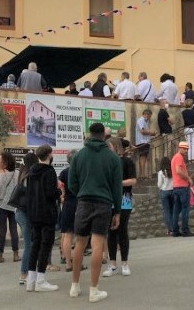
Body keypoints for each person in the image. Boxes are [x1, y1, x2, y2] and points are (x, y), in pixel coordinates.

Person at [68, 122, 122, 303]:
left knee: (79, 244)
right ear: (104, 136)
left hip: (83, 202)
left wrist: (81, 194)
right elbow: (117, 188)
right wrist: (117, 211)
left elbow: (71, 184)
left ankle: (74, 287)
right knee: (98, 244)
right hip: (104, 203)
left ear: (89, 134)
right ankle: (93, 290)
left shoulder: (78, 156)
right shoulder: (113, 158)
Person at [23, 145, 60, 292]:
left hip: (34, 213)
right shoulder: (50, 172)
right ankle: (41, 280)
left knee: (35, 245)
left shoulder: (31, 171)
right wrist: (58, 192)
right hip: (47, 213)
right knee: (45, 245)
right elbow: (51, 193)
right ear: (50, 155)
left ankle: (30, 280)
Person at [102, 148, 137, 277]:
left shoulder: (127, 162)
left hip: (125, 197)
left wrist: (118, 183)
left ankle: (124, 263)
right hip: (109, 198)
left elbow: (133, 180)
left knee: (122, 229)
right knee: (111, 231)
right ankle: (112, 264)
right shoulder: (105, 162)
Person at [16, 152, 37, 285]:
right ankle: (24, 273)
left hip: (20, 212)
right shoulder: (29, 177)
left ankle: (28, 272)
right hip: (25, 213)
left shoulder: (22, 175)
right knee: (29, 244)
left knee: (30, 243)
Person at [57, 151, 78, 270]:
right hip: (78, 203)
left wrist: (63, 196)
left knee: (67, 235)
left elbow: (61, 187)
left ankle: (68, 263)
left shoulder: (64, 172)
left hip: (67, 204)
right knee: (79, 236)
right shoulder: (80, 171)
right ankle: (76, 263)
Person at [170, 141, 194, 237]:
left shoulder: (174, 157)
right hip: (182, 186)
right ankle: (185, 230)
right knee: (185, 209)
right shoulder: (179, 157)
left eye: (187, 149)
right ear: (180, 148)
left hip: (176, 186)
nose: (186, 151)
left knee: (176, 210)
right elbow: (178, 171)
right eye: (184, 149)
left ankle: (175, 231)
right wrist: (188, 178)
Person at [135, 109, 156, 179]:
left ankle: (142, 174)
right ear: (146, 114)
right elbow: (142, 131)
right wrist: (151, 132)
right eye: (149, 115)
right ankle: (142, 174)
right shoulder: (141, 120)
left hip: (144, 141)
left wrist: (151, 134)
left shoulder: (145, 121)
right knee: (143, 157)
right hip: (142, 141)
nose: (149, 117)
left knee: (143, 157)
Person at [157, 157, 175, 236]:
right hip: (173, 191)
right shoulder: (173, 170)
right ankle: (174, 228)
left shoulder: (161, 172)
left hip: (164, 191)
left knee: (166, 211)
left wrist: (160, 187)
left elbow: (159, 184)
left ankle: (169, 229)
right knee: (173, 211)